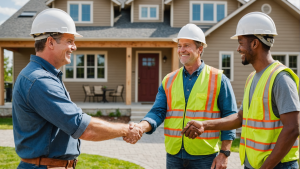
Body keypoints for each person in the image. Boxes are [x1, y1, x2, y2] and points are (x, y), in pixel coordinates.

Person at [12, 8, 143, 169]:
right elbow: (84, 128)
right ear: (50, 42)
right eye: (69, 41)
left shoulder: (42, 76)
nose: (74, 47)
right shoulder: (40, 80)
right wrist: (125, 129)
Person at [182, 12, 300, 169]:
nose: (238, 49)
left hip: (276, 166)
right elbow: (240, 117)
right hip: (254, 164)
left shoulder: (280, 78)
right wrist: (205, 125)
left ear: (255, 44)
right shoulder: (252, 78)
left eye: (240, 43)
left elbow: (293, 128)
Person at [123, 23, 238, 169]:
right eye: (179, 45)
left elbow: (230, 117)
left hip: (205, 157)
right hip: (174, 156)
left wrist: (224, 153)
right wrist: (141, 127)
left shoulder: (218, 79)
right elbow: (158, 111)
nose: (181, 50)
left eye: (187, 45)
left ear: (200, 49)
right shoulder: (169, 80)